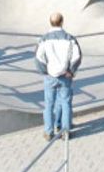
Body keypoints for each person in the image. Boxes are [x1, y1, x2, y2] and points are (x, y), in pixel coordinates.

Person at [35, 12, 82, 140]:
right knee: (66, 103)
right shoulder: (70, 38)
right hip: (65, 75)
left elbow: (38, 57)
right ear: (62, 22)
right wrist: (71, 71)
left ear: (50, 23)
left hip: (50, 75)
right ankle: (65, 131)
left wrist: (44, 70)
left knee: (49, 104)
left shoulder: (44, 39)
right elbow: (77, 56)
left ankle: (49, 131)